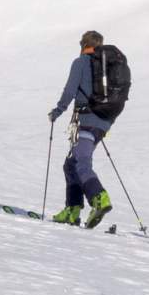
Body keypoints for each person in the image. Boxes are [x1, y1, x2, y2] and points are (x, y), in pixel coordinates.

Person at [45, 30, 116, 228]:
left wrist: (57, 111)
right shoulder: (107, 66)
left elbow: (70, 90)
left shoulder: (81, 62)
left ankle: (99, 199)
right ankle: (72, 209)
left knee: (81, 163)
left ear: (83, 45)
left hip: (87, 120)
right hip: (104, 121)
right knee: (71, 164)